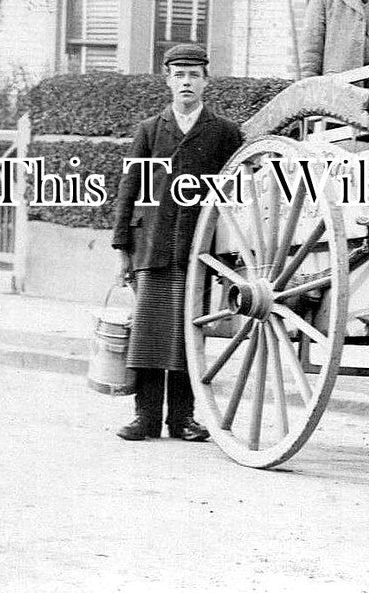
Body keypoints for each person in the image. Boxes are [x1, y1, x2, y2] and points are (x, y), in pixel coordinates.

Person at [111, 43, 244, 442]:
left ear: (206, 81)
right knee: (150, 334)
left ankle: (182, 418)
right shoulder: (150, 130)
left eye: (194, 75)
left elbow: (237, 191)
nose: (186, 82)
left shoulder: (224, 132)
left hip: (197, 250)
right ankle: (146, 417)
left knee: (188, 334)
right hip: (151, 243)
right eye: (179, 75)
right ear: (168, 80)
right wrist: (121, 249)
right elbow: (129, 188)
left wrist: (233, 253)